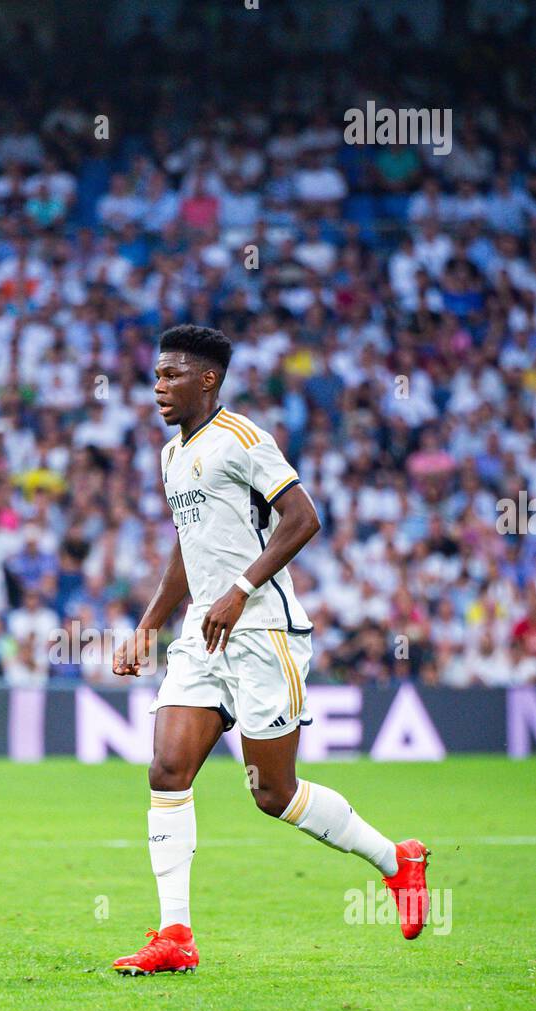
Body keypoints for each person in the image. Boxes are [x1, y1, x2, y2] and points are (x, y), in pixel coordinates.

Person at [110, 324, 430, 975]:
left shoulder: (244, 440)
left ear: (207, 380)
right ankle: (175, 935)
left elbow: (303, 518)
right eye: (154, 376)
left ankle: (397, 861)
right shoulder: (171, 456)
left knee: (272, 793)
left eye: (170, 376)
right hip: (202, 634)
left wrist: (238, 589)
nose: (158, 388)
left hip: (261, 632)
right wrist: (149, 621)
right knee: (166, 770)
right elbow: (186, 545)